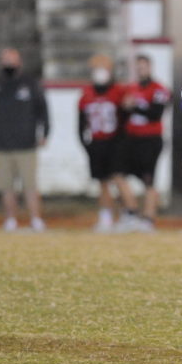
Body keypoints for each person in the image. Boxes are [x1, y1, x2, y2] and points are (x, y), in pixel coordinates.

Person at [0, 48, 49, 232]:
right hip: (1, 145)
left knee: (30, 185)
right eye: (5, 60)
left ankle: (36, 219)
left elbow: (43, 110)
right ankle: (10, 220)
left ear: (19, 62)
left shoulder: (30, 84)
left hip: (26, 145)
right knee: (6, 186)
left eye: (12, 60)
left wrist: (45, 133)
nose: (9, 63)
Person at [114, 55, 170, 232]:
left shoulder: (159, 89)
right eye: (138, 67)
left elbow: (156, 114)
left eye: (143, 67)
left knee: (148, 179)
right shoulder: (131, 88)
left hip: (150, 140)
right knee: (118, 173)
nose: (140, 70)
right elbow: (123, 114)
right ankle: (131, 211)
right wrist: (124, 107)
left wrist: (134, 107)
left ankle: (148, 218)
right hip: (132, 139)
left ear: (150, 67)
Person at [78, 54, 126, 233]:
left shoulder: (118, 91)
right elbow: (81, 122)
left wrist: (121, 142)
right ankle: (106, 217)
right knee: (102, 182)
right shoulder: (86, 94)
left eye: (103, 68)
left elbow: (125, 117)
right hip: (97, 142)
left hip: (115, 142)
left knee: (119, 180)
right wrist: (86, 144)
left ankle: (129, 214)